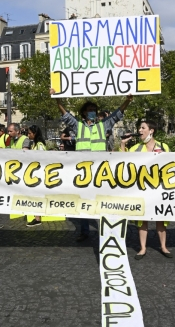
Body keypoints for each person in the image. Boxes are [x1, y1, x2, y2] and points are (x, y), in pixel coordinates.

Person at [51, 88, 133, 241]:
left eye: (94, 110)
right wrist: (58, 100)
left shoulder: (103, 125)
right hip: (83, 172)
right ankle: (84, 231)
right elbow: (65, 115)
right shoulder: (78, 126)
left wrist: (127, 101)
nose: (93, 112)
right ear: (84, 113)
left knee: (103, 201)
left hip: (101, 171)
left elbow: (117, 114)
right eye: (90, 110)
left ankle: (107, 229)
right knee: (84, 203)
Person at [120, 120, 172, 260]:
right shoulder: (136, 148)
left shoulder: (164, 146)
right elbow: (122, 161)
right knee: (142, 218)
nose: (140, 130)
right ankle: (142, 248)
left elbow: (173, 163)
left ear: (151, 130)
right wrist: (123, 144)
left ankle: (163, 247)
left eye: (143, 128)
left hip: (159, 188)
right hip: (142, 189)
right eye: (139, 128)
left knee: (160, 217)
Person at [26, 125, 46, 227]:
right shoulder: (35, 144)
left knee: (37, 196)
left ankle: (38, 218)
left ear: (35, 133)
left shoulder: (39, 145)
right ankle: (37, 217)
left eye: (30, 133)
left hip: (39, 175)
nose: (28, 135)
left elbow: (42, 159)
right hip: (35, 174)